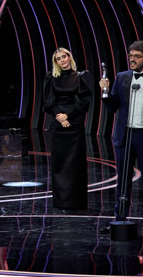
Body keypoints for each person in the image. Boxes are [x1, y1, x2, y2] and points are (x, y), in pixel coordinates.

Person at [99, 40, 143, 236]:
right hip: (125, 135)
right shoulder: (122, 77)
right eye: (130, 56)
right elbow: (112, 108)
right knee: (123, 181)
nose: (132, 59)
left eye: (136, 57)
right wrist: (105, 92)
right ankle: (119, 219)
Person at [43, 48, 93, 210]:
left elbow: (84, 102)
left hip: (75, 123)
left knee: (75, 163)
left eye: (64, 56)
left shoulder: (81, 77)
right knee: (59, 164)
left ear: (69, 57)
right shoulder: (51, 78)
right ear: (56, 62)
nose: (62, 60)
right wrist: (59, 116)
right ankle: (61, 202)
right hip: (58, 124)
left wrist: (68, 117)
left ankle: (76, 202)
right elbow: (48, 103)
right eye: (58, 59)